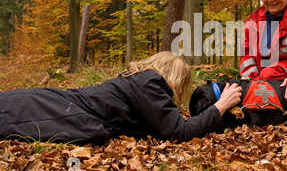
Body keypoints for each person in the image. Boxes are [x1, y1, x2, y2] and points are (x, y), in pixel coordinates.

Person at [0, 51, 242, 144]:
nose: (178, 93)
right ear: (173, 77)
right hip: (61, 111)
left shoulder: (138, 82)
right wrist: (219, 106)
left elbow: (163, 125)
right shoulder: (150, 82)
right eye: (180, 85)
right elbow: (178, 132)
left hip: (58, 105)